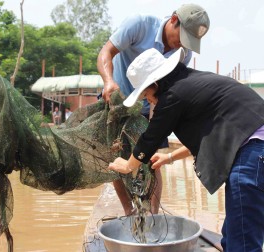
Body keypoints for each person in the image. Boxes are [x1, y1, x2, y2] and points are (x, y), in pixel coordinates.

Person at [109, 47, 264, 252]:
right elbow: (208, 139)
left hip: (253, 155)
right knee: (236, 231)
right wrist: (169, 157)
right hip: (254, 151)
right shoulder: (191, 84)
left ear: (155, 84)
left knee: (242, 243)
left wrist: (128, 165)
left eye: (146, 94)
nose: (148, 100)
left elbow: (150, 138)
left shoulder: (173, 95)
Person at [97, 3, 210, 215]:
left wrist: (156, 119)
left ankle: (153, 215)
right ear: (174, 20)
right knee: (116, 157)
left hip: (153, 103)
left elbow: (170, 92)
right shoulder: (139, 24)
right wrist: (108, 81)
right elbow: (106, 52)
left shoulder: (183, 54)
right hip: (119, 100)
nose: (181, 46)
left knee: (151, 158)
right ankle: (129, 212)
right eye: (182, 38)